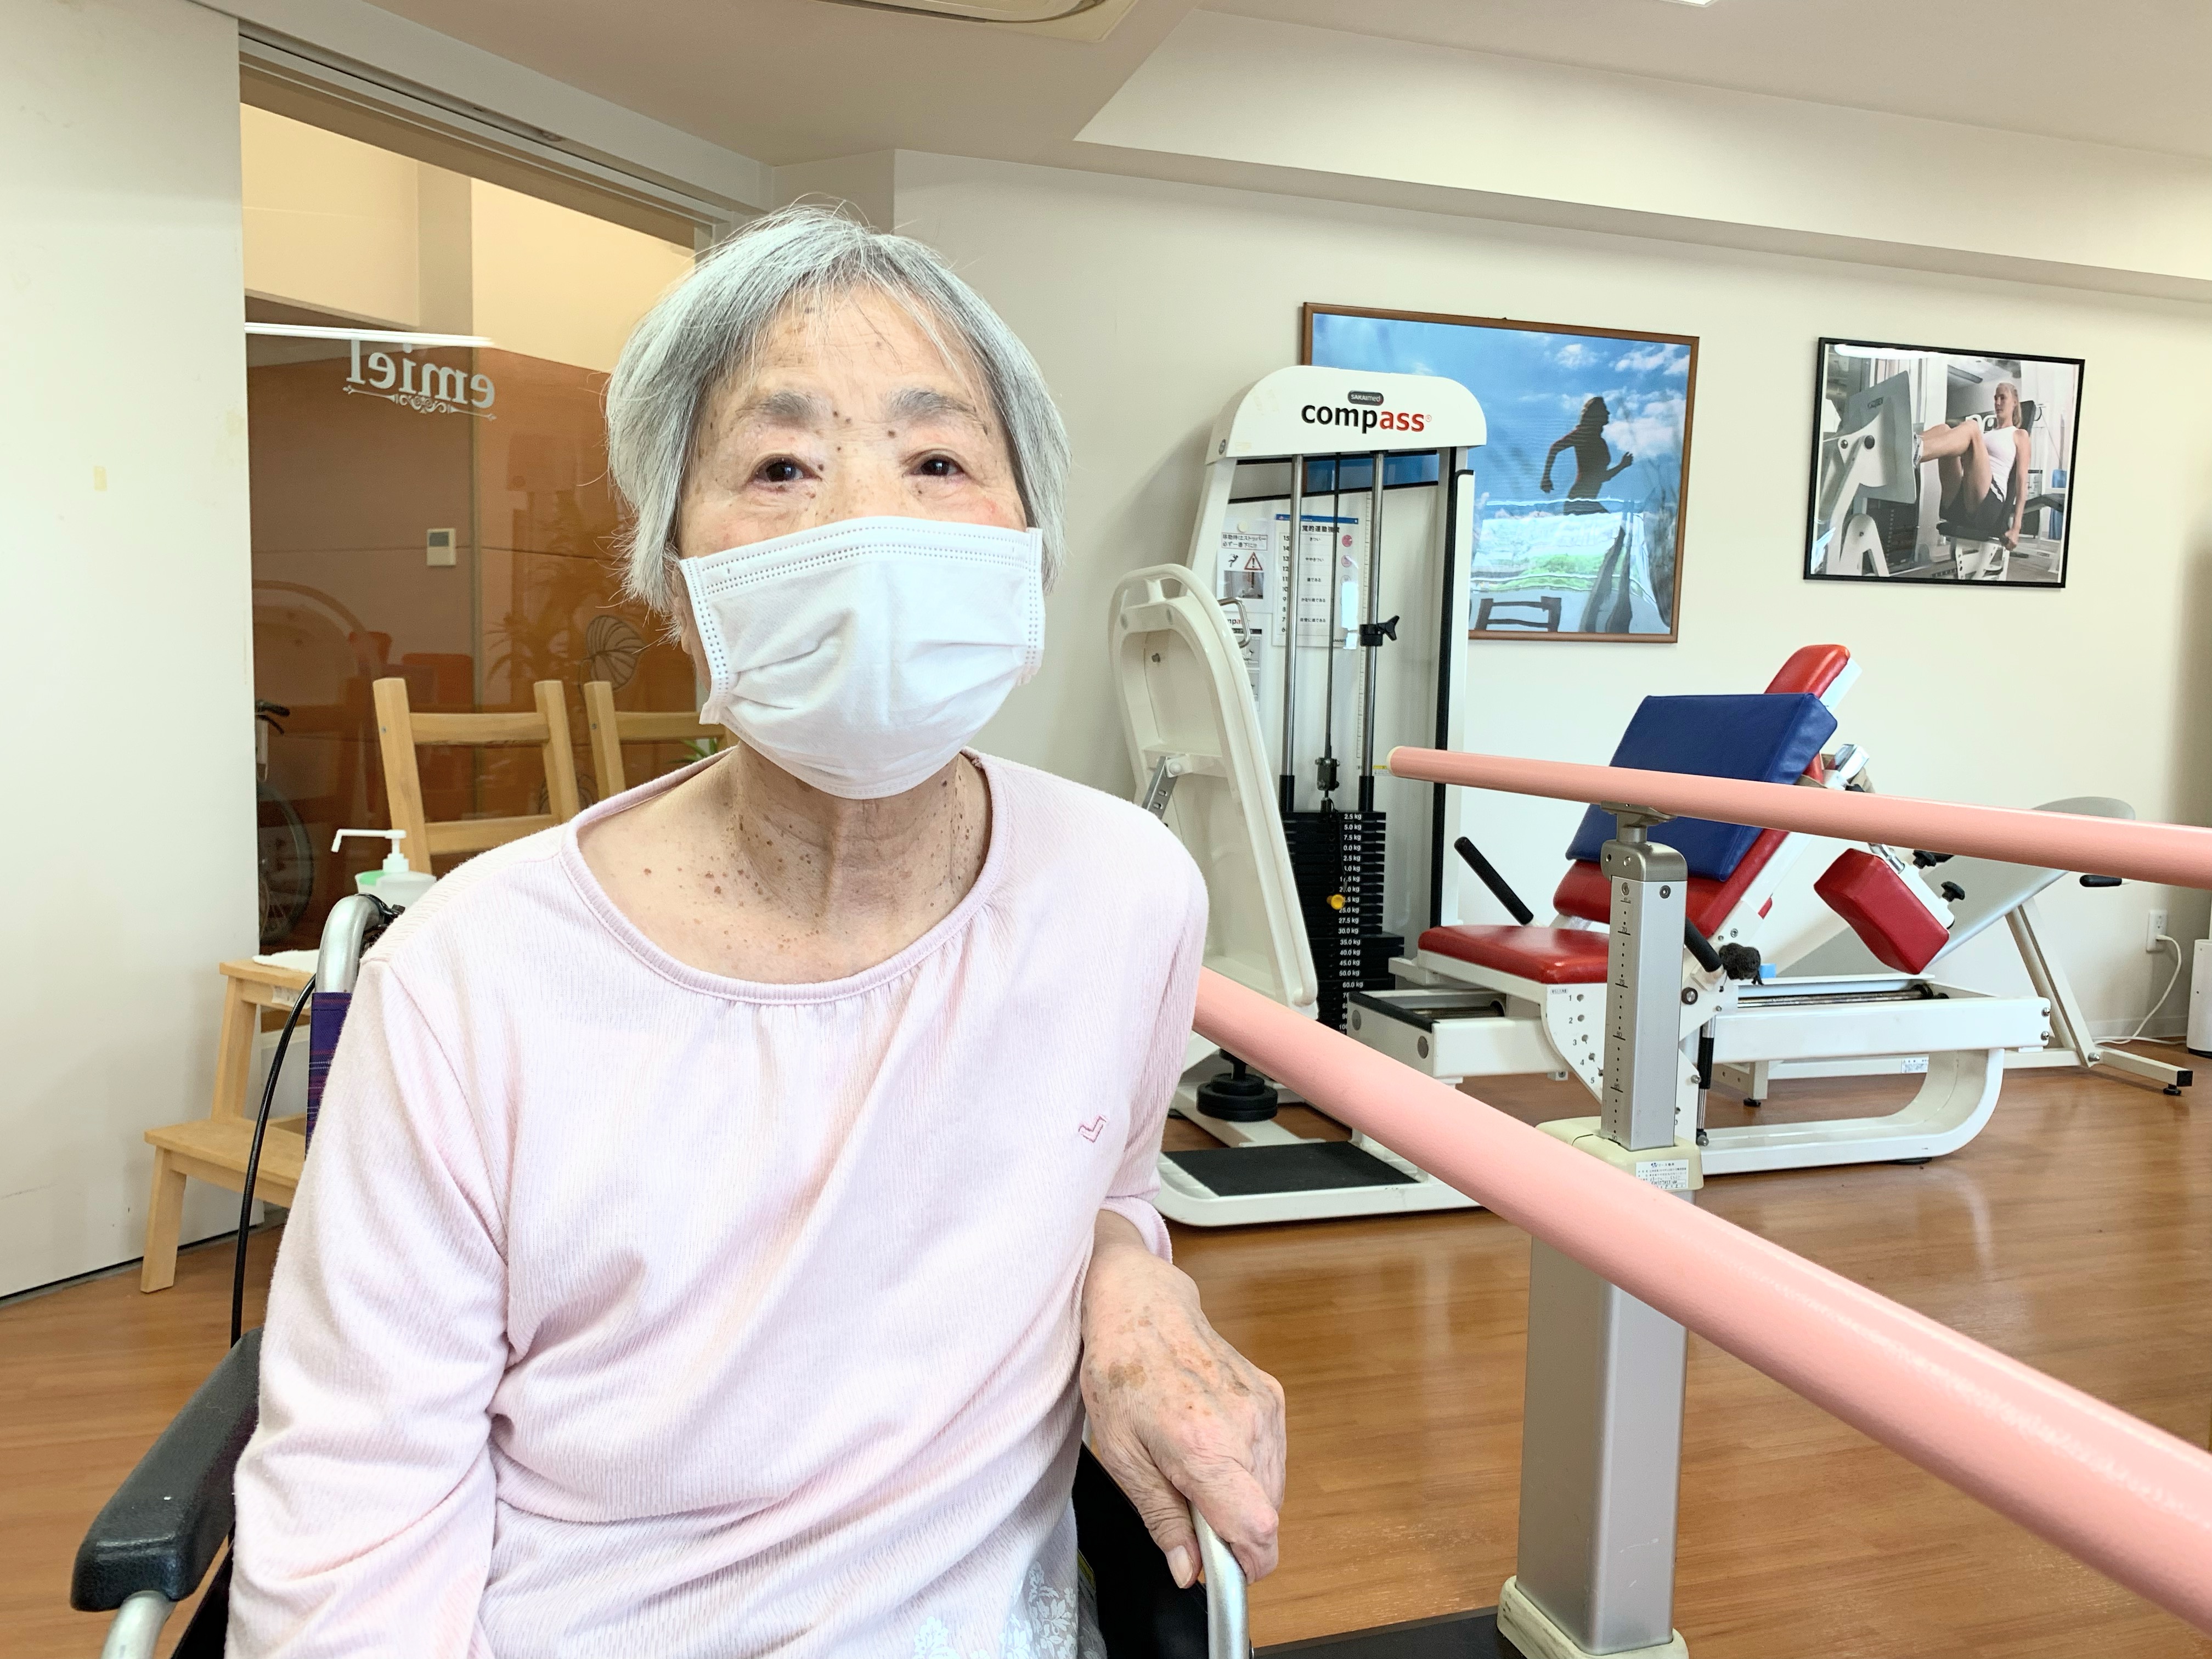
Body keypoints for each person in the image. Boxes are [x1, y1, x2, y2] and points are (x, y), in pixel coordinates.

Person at [228, 206, 1285, 1658]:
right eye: (780, 467)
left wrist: (1131, 1277)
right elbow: (354, 1528)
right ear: (675, 579)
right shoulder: (466, 983)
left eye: (937, 460)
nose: (864, 528)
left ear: (1031, 545)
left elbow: (1103, 1177)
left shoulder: (1126, 891)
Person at [1918, 380, 2032, 550]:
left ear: (2015, 402)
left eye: (2003, 398)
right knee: (1944, 429)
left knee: (1972, 427)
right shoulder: (1986, 435)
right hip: (1965, 499)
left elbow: (2022, 484)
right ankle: (1910, 446)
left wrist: (2016, 528)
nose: (1998, 402)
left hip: (1989, 504)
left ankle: (1918, 450)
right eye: (1996, 398)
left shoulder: (2019, 435)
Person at [1539, 395, 1633, 512]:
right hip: (1579, 500)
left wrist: (1622, 466)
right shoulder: (1582, 434)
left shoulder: (1600, 442)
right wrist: (1546, 478)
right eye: (1604, 410)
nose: (1608, 413)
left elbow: (1601, 477)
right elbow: (1555, 448)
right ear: (1595, 414)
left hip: (1586, 501)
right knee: (1613, 523)